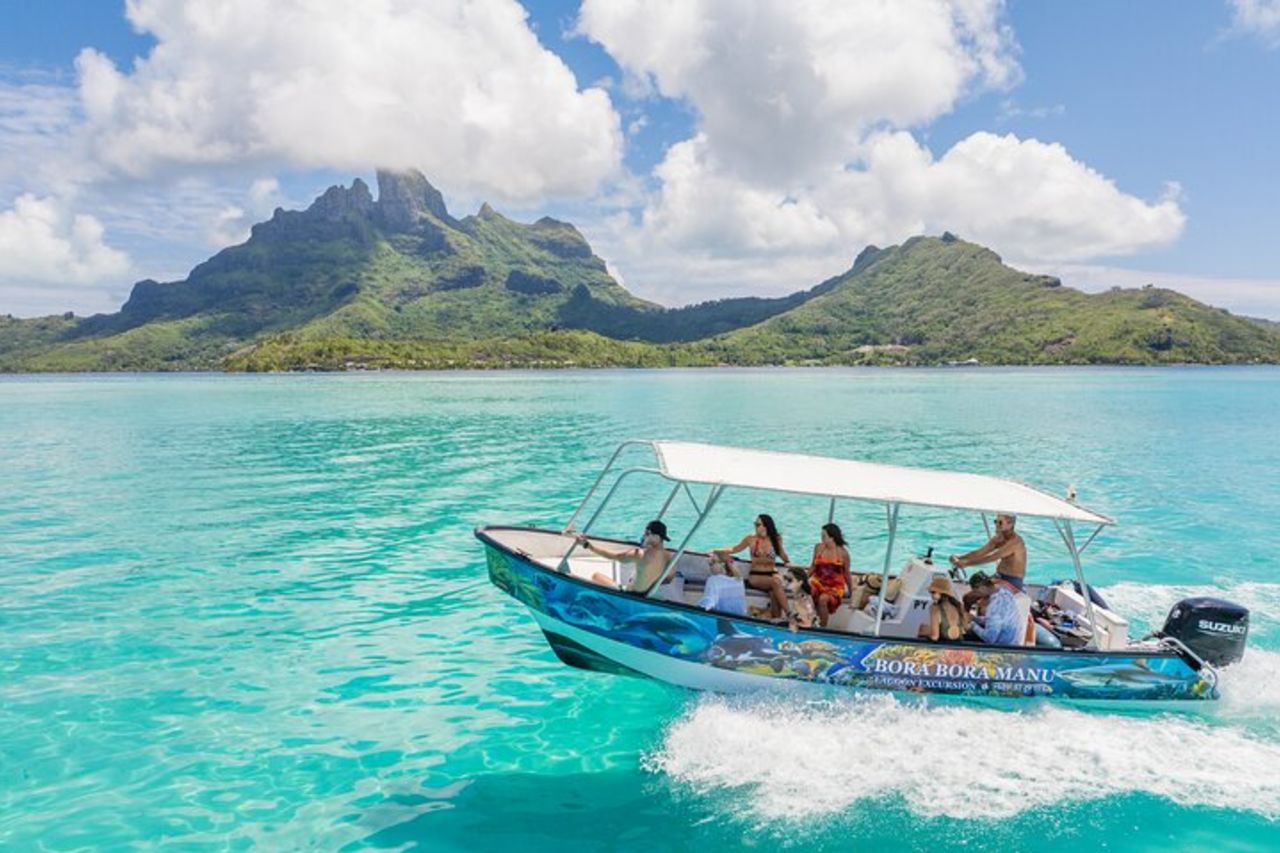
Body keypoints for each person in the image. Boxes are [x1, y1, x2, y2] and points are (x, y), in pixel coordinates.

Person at [714, 514, 791, 620]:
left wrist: (787, 562)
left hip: (772, 574)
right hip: (756, 575)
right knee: (776, 582)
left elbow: (782, 555)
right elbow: (734, 549)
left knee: (774, 592)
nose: (755, 526)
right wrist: (716, 550)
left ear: (766, 526)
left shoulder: (775, 539)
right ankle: (790, 614)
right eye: (755, 524)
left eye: (757, 524)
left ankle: (777, 620)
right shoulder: (750, 539)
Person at [576, 520, 671, 593]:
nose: (644, 536)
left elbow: (613, 556)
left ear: (657, 537)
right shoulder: (668, 555)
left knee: (596, 575)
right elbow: (670, 578)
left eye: (647, 534)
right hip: (646, 593)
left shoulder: (639, 554)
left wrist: (588, 546)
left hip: (629, 593)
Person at [948, 513, 1027, 589]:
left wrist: (967, 563)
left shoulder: (1015, 542)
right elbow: (980, 552)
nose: (996, 525)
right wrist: (960, 558)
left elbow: (992, 557)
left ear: (1010, 524)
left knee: (979, 592)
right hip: (999, 576)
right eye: (996, 521)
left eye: (1000, 522)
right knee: (975, 585)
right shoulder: (999, 538)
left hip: (1012, 581)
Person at [807, 523, 853, 627]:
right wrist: (803, 579)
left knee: (823, 599)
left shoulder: (843, 553)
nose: (821, 538)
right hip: (818, 581)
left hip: (835, 587)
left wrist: (851, 592)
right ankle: (810, 619)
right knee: (807, 591)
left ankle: (822, 627)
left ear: (832, 537)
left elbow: (846, 574)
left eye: (824, 536)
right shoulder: (818, 548)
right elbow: (813, 566)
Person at [966, 573, 1023, 645]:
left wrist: (972, 625)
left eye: (976, 591)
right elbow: (995, 620)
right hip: (1015, 641)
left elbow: (989, 639)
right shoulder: (1004, 591)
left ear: (982, 588)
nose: (976, 594)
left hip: (1003, 648)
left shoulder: (994, 607)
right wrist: (975, 619)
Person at [922, 575, 967, 642]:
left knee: (922, 629)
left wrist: (923, 633)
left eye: (933, 592)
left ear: (941, 593)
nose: (931, 595)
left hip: (944, 647)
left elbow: (934, 637)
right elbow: (964, 630)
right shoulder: (958, 606)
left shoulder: (935, 609)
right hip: (960, 645)